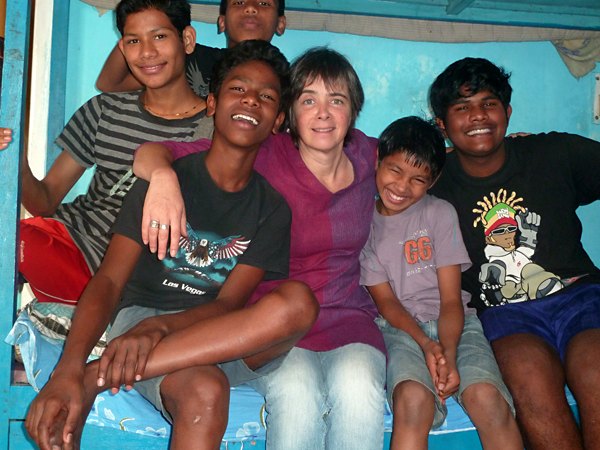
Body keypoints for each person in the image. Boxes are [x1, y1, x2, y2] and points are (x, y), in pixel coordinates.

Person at [25, 39, 319, 450]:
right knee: (205, 391)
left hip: (212, 332)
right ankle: (92, 372)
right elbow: (109, 281)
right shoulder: (163, 183)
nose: (251, 100)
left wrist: (157, 331)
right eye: (237, 88)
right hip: (142, 316)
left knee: (299, 302)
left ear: (278, 121)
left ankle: (99, 376)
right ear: (212, 103)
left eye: (266, 96)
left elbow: (228, 306)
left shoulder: (271, 209)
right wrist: (68, 367)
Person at [133, 47, 386, 449]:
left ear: (353, 111)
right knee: (298, 396)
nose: (323, 114)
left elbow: (426, 162)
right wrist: (163, 178)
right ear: (289, 113)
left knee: (360, 391)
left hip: (348, 318)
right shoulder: (265, 154)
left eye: (336, 100)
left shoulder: (370, 156)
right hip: (275, 322)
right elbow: (156, 153)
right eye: (309, 100)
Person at [428, 57, 600, 450]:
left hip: (581, 296)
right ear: (442, 125)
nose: (478, 116)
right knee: (530, 383)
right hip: (505, 313)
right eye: (462, 107)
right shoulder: (433, 183)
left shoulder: (552, 152)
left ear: (507, 112)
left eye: (488, 103)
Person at [2, 0, 216, 306]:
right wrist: (18, 162)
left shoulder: (214, 130)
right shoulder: (105, 110)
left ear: (187, 39)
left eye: (159, 36)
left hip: (140, 275)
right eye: (133, 41)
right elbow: (44, 202)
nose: (147, 52)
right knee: (14, 240)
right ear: (122, 48)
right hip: (70, 244)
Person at [359, 116, 522, 450]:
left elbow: (450, 299)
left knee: (487, 399)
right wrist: (425, 344)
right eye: (395, 171)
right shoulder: (363, 224)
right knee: (412, 401)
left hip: (457, 323)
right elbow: (387, 304)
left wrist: (446, 352)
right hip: (400, 329)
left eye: (418, 179)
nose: (402, 186)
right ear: (378, 161)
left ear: (432, 181)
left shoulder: (439, 213)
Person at [96, 0, 286, 96]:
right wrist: (137, 30)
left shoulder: (289, 78)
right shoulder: (189, 56)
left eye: (264, 3)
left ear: (281, 24)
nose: (250, 8)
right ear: (222, 22)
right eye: (238, 2)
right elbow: (109, 85)